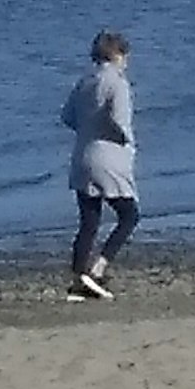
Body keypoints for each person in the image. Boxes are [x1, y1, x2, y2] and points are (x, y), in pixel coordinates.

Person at [58, 29, 137, 299]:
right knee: (129, 215)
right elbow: (120, 122)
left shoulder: (84, 82)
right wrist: (125, 142)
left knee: (89, 221)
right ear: (116, 55)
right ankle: (97, 270)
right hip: (109, 159)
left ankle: (78, 279)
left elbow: (67, 117)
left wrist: (89, 126)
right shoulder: (117, 83)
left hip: (82, 156)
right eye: (124, 55)